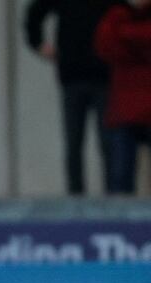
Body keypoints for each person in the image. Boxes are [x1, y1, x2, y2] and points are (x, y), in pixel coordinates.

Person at [24, 0, 120, 195]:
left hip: (103, 77)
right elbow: (35, 14)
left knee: (108, 142)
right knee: (74, 143)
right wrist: (38, 43)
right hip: (73, 77)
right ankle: (76, 197)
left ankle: (112, 197)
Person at [95, 0, 151, 194]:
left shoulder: (118, 23)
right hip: (124, 109)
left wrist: (127, 34)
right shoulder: (115, 15)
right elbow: (105, 45)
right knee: (119, 178)